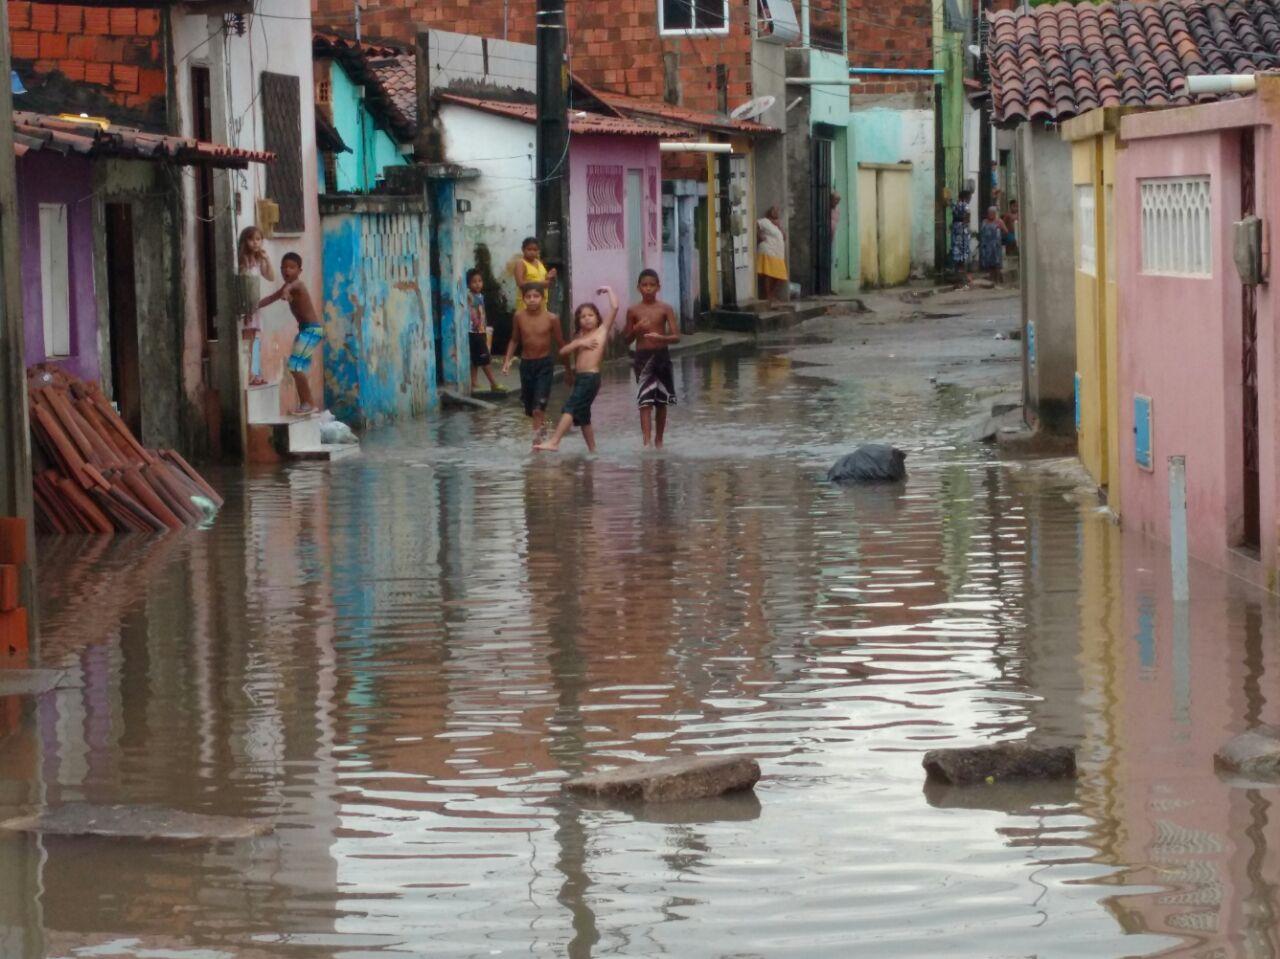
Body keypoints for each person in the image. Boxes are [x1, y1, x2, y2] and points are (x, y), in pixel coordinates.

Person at [534, 286, 618, 453]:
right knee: (583, 415)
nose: (587, 319)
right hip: (581, 378)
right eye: (582, 317)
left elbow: (615, 307)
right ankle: (593, 451)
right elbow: (562, 352)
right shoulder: (579, 337)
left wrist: (609, 290)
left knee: (570, 407)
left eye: (590, 315)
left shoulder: (601, 332)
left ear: (597, 318)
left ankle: (555, 441)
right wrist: (579, 343)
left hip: (590, 378)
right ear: (578, 321)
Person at [502, 282, 572, 441]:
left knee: (538, 409)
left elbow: (561, 345)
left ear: (543, 298)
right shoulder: (519, 317)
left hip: (544, 365)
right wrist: (507, 360)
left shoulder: (552, 318)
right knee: (530, 410)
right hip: (526, 365)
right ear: (523, 298)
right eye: (528, 296)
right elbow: (514, 340)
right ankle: (542, 427)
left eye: (536, 296)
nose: (532, 299)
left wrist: (568, 370)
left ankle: (536, 445)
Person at [258, 252, 322, 416]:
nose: (287, 270)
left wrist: (286, 293)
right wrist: (254, 306)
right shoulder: (286, 286)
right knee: (295, 367)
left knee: (295, 366)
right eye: (284, 267)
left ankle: (308, 403)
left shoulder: (298, 285)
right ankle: (306, 403)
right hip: (305, 331)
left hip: (311, 330)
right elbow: (271, 298)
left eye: (291, 267)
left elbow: (289, 288)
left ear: (299, 270)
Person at [623, 269, 680, 449]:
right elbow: (626, 340)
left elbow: (676, 337)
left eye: (652, 285)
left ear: (658, 287)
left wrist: (661, 338)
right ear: (638, 288)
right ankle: (646, 442)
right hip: (642, 359)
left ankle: (659, 441)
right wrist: (636, 329)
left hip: (662, 356)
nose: (648, 289)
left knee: (661, 402)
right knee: (645, 402)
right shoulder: (633, 311)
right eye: (644, 285)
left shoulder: (665, 309)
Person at [237, 225, 274, 387]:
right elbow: (242, 282)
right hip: (246, 307)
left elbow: (271, 277)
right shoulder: (242, 260)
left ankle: (256, 374)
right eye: (251, 239)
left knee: (256, 340)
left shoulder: (259, 260)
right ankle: (247, 375)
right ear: (245, 241)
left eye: (258, 239)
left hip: (255, 306)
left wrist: (267, 259)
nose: (255, 243)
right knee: (247, 341)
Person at [466, 268, 502, 392]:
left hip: (480, 331)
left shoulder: (480, 296)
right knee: (484, 358)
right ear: (468, 284)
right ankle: (493, 383)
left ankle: (474, 382)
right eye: (474, 282)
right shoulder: (469, 296)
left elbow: (482, 313)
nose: (477, 284)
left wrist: (485, 328)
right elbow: (472, 313)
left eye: (480, 281)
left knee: (475, 360)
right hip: (473, 331)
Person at [756, 206, 789, 304]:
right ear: (770, 212)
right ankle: (768, 296)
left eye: (778, 210)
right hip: (768, 250)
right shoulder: (765, 221)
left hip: (778, 254)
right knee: (769, 274)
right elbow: (755, 225)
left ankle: (771, 295)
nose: (776, 212)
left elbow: (784, 237)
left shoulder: (777, 225)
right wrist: (759, 236)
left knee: (779, 275)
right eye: (774, 210)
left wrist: (779, 227)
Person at [950, 188, 974, 288]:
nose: (970, 199)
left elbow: (950, 207)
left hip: (955, 229)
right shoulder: (965, 205)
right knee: (963, 255)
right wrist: (965, 223)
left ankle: (957, 277)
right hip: (962, 230)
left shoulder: (955, 205)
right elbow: (968, 214)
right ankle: (962, 279)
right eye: (969, 197)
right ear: (965, 197)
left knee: (956, 254)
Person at [978, 206, 1007, 286]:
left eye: (992, 213)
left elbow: (1006, 231)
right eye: (989, 213)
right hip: (987, 246)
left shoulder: (999, 221)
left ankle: (998, 281)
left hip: (995, 246)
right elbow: (981, 233)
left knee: (997, 264)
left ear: (995, 213)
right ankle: (992, 280)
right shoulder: (984, 221)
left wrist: (999, 235)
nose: (990, 214)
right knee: (989, 264)